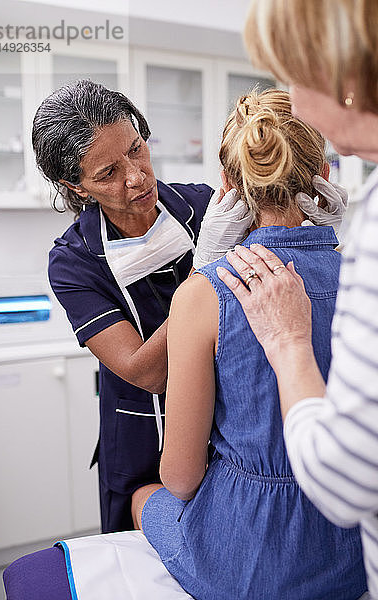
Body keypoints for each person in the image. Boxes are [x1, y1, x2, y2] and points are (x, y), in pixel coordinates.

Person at [131, 89, 367, 600]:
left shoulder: (204, 294)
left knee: (145, 497)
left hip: (254, 563)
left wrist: (203, 269)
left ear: (229, 187)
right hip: (351, 552)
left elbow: (181, 477)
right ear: (325, 179)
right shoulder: (364, 278)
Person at [32, 79, 251, 533]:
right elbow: (148, 372)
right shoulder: (75, 263)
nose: (135, 175)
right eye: (107, 173)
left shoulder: (203, 207)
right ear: (76, 185)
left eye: (136, 149)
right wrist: (204, 270)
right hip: (142, 443)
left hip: (230, 428)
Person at [217, 1, 378, 597]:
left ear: (345, 78)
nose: (290, 93)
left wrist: (289, 342)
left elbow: (343, 480)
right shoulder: (351, 243)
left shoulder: (211, 291)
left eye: (292, 72)